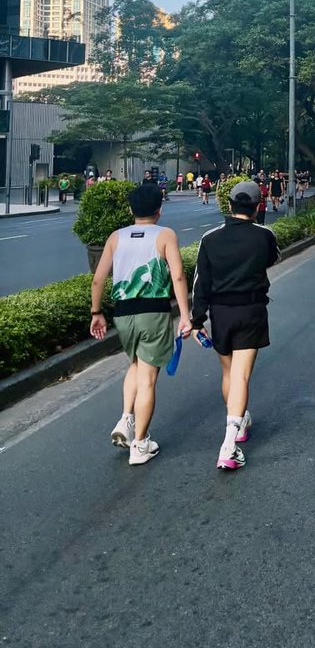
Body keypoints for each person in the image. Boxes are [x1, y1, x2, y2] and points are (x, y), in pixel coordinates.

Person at [89, 183, 191, 465]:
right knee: (148, 377)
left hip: (123, 314)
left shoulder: (116, 237)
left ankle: (126, 419)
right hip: (153, 312)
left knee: (135, 363)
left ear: (131, 209)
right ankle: (140, 443)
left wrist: (96, 312)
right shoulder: (165, 235)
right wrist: (185, 315)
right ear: (159, 210)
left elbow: (98, 279)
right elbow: (178, 276)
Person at [190, 180, 280, 471]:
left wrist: (196, 320)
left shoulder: (210, 238)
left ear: (228, 205)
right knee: (241, 375)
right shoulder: (264, 235)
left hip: (220, 312)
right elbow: (273, 258)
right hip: (252, 308)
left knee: (229, 372)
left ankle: (239, 424)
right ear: (257, 207)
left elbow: (200, 282)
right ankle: (229, 444)